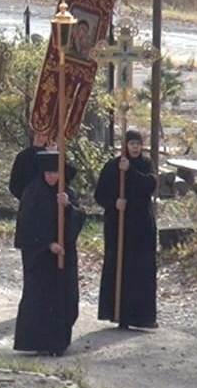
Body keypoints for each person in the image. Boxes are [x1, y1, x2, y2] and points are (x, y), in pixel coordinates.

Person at [13, 150, 85, 357]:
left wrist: (68, 207)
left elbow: (80, 218)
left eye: (55, 172)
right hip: (40, 257)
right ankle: (38, 342)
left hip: (64, 255)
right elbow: (27, 226)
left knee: (66, 298)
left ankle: (58, 342)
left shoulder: (67, 193)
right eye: (48, 173)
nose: (52, 177)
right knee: (40, 298)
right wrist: (47, 244)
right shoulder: (32, 192)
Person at [95, 129, 158, 330]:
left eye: (138, 144)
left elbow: (150, 185)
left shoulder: (145, 164)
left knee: (141, 268)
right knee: (119, 266)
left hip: (141, 225)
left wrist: (130, 171)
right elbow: (99, 194)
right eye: (132, 144)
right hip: (119, 224)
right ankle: (117, 313)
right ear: (125, 145)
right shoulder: (113, 166)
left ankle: (142, 316)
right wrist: (114, 203)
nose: (135, 148)